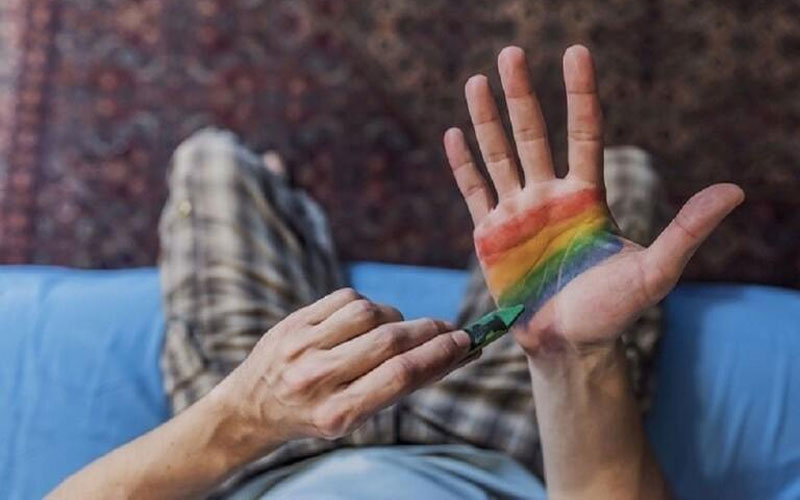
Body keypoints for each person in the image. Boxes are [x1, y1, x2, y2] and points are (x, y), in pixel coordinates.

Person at [48, 45, 743, 499]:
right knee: (618, 182)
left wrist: (247, 412)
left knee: (212, 164)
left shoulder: (256, 425)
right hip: (494, 448)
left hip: (266, 454)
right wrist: (572, 356)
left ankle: (283, 202)